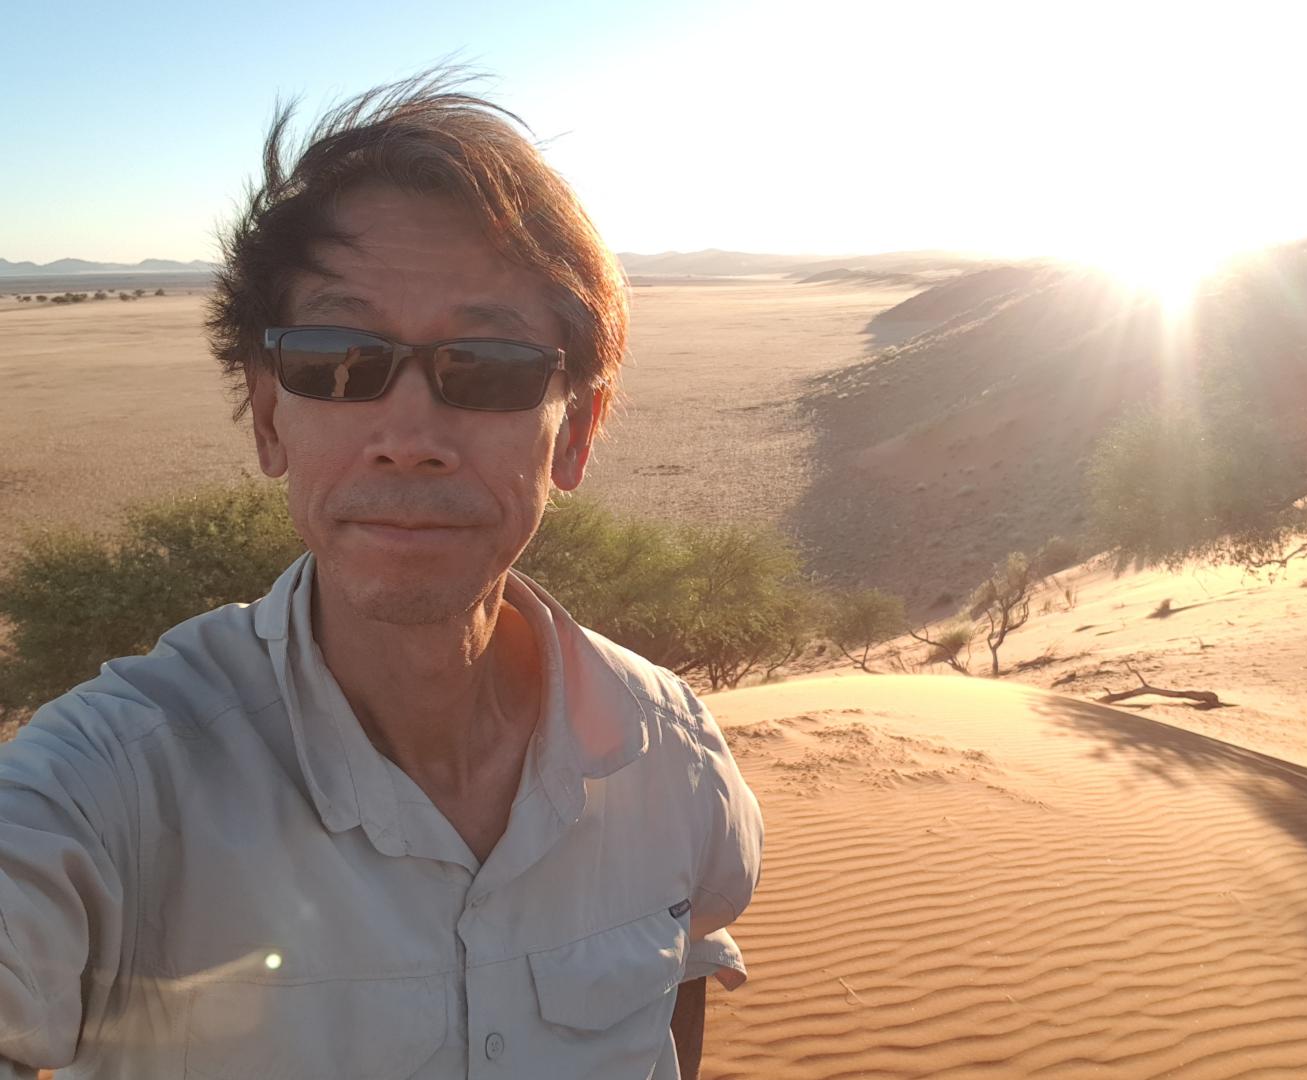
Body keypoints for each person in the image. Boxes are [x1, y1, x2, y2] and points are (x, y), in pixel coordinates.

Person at [0, 72, 762, 1080]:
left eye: (488, 366)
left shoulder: (671, 755)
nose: (409, 439)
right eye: (338, 358)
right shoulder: (107, 787)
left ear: (576, 430)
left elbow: (682, 980)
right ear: (271, 415)